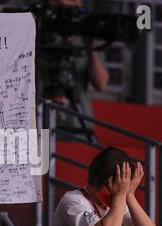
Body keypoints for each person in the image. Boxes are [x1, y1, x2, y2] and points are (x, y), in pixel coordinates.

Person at [37, 0, 109, 139]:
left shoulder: (86, 37)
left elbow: (101, 83)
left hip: (78, 121)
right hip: (41, 121)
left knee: (79, 158)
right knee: (45, 160)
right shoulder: (41, 32)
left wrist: (92, 50)